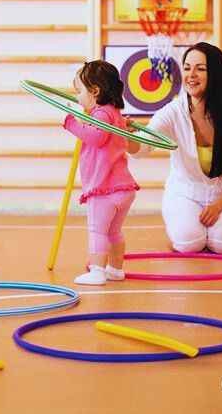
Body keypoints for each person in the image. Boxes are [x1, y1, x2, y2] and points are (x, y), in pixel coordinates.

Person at [128, 42, 222, 254]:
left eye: (200, 68)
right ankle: (189, 231)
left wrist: (218, 206)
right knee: (189, 243)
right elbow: (142, 148)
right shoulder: (173, 111)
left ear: (216, 73)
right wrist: (125, 136)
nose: (191, 74)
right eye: (187, 67)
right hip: (184, 194)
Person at [63, 61, 139, 285]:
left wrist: (72, 124)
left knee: (97, 231)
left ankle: (97, 271)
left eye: (79, 92)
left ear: (94, 91)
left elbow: (97, 138)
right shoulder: (114, 113)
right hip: (123, 188)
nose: (78, 98)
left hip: (104, 189)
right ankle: (115, 269)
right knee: (114, 232)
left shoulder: (101, 115)